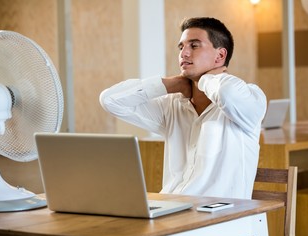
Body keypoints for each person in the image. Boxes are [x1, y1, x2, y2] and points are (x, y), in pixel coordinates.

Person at [100, 17, 266, 199]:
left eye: (194, 46)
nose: (184, 54)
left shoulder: (250, 98)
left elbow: (227, 93)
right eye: (181, 47)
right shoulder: (172, 106)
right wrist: (171, 84)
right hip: (172, 210)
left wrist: (203, 80)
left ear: (220, 56)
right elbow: (110, 100)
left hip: (221, 218)